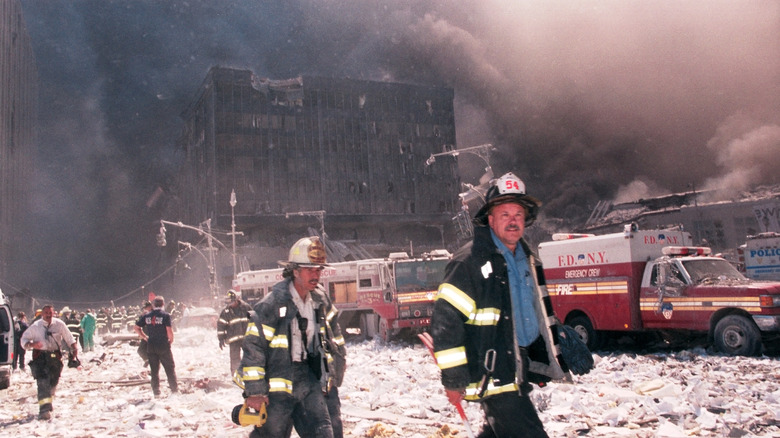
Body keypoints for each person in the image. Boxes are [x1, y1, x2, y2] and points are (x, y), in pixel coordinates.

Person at [430, 172, 573, 437]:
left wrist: (549, 351)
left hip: (517, 367)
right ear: (490, 219)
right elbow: (445, 322)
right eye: (504, 214)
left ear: (526, 220)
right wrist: (453, 378)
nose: (512, 221)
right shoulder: (469, 262)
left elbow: (530, 314)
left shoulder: (528, 260)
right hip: (493, 374)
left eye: (518, 214)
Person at [233, 236, 341, 438]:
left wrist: (334, 373)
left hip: (309, 379)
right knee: (272, 434)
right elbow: (253, 347)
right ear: (295, 271)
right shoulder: (272, 303)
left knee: (324, 431)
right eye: (310, 269)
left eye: (318, 270)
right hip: (277, 383)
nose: (315, 275)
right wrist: (255, 392)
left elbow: (333, 337)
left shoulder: (319, 299)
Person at [20, 304, 78, 420]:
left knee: (53, 382)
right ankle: (44, 410)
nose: (48, 315)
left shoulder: (59, 324)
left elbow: (69, 337)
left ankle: (48, 401)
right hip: (40, 357)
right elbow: (23, 340)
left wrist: (74, 348)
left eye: (50, 313)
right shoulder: (36, 326)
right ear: (42, 314)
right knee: (42, 383)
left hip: (54, 357)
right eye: (46, 313)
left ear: (54, 313)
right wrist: (32, 345)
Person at [134, 296, 178, 397]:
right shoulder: (165, 315)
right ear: (163, 304)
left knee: (154, 370)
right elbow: (169, 330)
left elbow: (136, 327)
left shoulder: (147, 315)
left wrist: (145, 337)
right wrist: (170, 340)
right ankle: (174, 390)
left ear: (153, 304)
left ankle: (156, 392)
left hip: (151, 345)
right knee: (169, 368)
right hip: (163, 344)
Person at [217, 289, 252, 373]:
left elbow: (254, 320)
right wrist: (221, 339)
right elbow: (221, 326)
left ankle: (251, 375)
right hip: (233, 340)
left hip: (247, 339)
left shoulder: (246, 307)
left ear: (236, 300)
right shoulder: (226, 312)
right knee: (235, 360)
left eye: (232, 302)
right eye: (229, 303)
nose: (230, 305)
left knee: (251, 357)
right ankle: (236, 376)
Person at [136, 300, 152, 367]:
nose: (144, 310)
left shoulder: (151, 314)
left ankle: (149, 361)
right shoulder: (146, 315)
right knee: (142, 350)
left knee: (141, 350)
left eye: (145, 308)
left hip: (149, 335)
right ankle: (148, 361)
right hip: (146, 335)